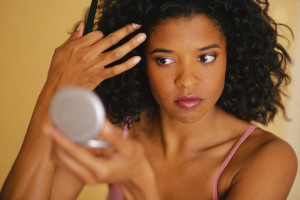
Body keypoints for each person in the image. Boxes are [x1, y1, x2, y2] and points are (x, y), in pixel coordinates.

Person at [1, 0, 298, 199]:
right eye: (165, 60)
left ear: (232, 57)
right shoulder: (114, 128)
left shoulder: (265, 158)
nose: (186, 80)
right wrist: (54, 91)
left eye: (206, 57)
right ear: (140, 62)